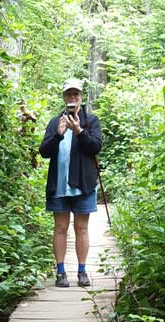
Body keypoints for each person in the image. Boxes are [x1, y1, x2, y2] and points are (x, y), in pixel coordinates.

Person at [39, 78, 102, 287]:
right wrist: (58, 134)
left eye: (76, 94)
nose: (72, 98)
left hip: (83, 184)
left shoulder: (90, 121)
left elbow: (95, 147)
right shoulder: (55, 122)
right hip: (59, 184)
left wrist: (79, 131)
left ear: (81, 97)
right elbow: (44, 152)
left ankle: (82, 271)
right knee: (60, 228)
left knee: (82, 229)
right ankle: (60, 272)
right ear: (64, 98)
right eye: (68, 94)